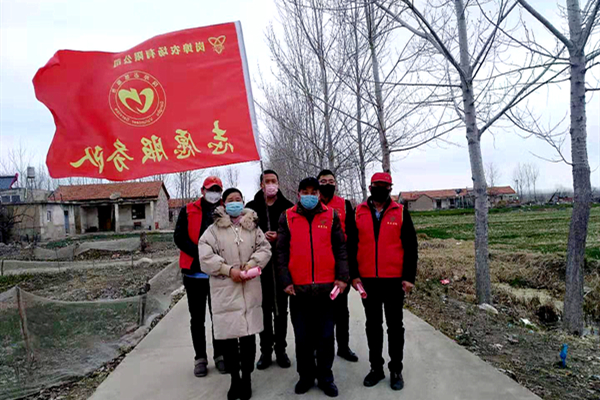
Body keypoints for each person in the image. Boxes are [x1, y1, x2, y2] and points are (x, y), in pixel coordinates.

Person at [277, 177, 349, 398]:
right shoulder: (287, 216)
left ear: (319, 194)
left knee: (326, 337)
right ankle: (306, 376)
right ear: (298, 194)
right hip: (299, 290)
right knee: (303, 338)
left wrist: (342, 277)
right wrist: (285, 280)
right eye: (305, 192)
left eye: (313, 192)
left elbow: (340, 248)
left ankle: (326, 377)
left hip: (326, 290)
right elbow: (281, 251)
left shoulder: (331, 215)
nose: (309, 196)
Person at [198, 188, 272, 400]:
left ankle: (246, 378)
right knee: (229, 339)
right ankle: (234, 379)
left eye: (238, 199)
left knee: (248, 338)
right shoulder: (213, 230)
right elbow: (205, 257)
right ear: (224, 203)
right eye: (230, 200)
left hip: (249, 287)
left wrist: (251, 264)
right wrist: (228, 270)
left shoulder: (252, 227)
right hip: (226, 289)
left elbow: (265, 249)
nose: (235, 203)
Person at [350, 172, 418, 391]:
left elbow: (411, 246)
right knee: (373, 326)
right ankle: (376, 368)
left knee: (395, 327)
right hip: (368, 280)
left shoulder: (400, 212)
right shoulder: (358, 212)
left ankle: (396, 369)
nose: (380, 189)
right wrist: (354, 275)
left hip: (394, 281)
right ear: (370, 187)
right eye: (376, 185)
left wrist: (408, 277)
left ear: (390, 188)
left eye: (384, 186)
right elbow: (351, 246)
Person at [174, 176, 227, 377]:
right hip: (194, 274)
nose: (214, 193)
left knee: (218, 316)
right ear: (203, 190)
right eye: (210, 189)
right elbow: (179, 237)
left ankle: (220, 355)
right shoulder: (188, 210)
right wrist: (201, 254)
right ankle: (200, 358)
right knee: (197, 319)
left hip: (218, 274)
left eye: (217, 190)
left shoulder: (225, 210)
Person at [246, 169, 293, 370]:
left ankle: (281, 349)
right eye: (267, 181)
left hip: (281, 267)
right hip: (260, 269)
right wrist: (260, 237)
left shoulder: (288, 207)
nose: (271, 184)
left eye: (274, 180)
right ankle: (265, 351)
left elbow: (296, 235)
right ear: (261, 185)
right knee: (263, 311)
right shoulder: (251, 208)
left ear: (278, 184)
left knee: (281, 311)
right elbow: (244, 236)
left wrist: (280, 237)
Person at [317, 169, 359, 363]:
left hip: (341, 266)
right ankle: (319, 347)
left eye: (331, 181)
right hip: (318, 267)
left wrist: (350, 269)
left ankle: (343, 346)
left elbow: (353, 236)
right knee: (319, 311)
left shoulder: (344, 205)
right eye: (323, 181)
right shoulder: (312, 203)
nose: (327, 184)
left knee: (342, 310)